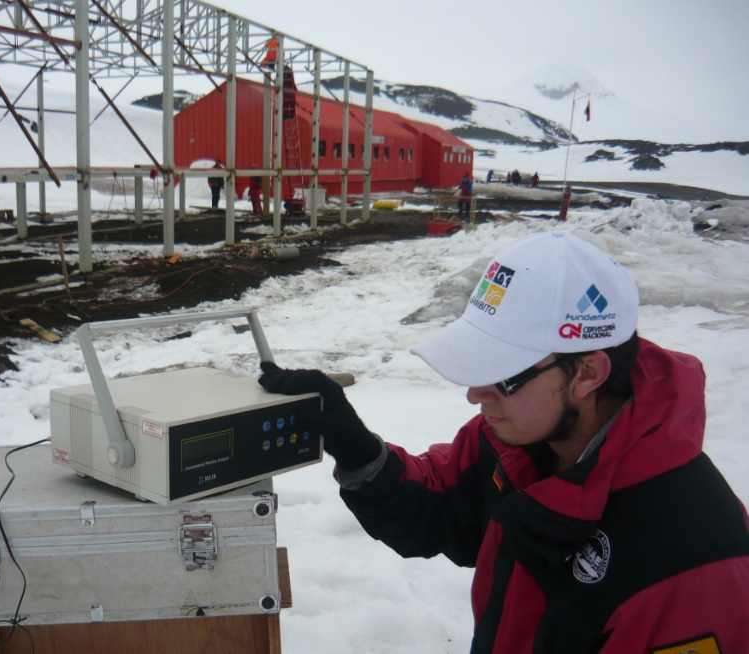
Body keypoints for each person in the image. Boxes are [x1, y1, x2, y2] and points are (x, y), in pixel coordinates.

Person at [258, 231, 749, 652]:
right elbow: (439, 510)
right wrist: (357, 447)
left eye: (500, 374)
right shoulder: (516, 441)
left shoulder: (695, 567)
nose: (475, 394)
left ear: (587, 372)